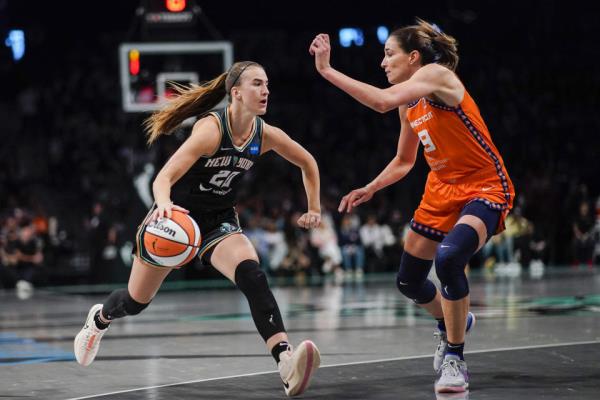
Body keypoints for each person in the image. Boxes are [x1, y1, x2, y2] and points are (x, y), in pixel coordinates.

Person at [74, 61, 322, 397]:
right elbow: (165, 177)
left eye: (267, 84)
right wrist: (162, 203)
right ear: (236, 92)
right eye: (256, 84)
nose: (265, 91)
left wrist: (314, 208)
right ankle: (100, 319)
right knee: (135, 302)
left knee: (253, 275)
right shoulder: (210, 130)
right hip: (175, 219)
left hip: (218, 219)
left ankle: (285, 362)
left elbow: (308, 162)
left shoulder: (265, 136)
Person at [310, 18, 515, 393]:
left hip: (482, 186)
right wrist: (370, 187)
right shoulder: (411, 103)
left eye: (389, 55)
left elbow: (380, 102)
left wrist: (326, 70)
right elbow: (405, 161)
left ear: (414, 57)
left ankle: (454, 356)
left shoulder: (438, 76)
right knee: (408, 281)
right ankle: (453, 321)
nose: (383, 63)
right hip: (441, 191)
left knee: (450, 258)